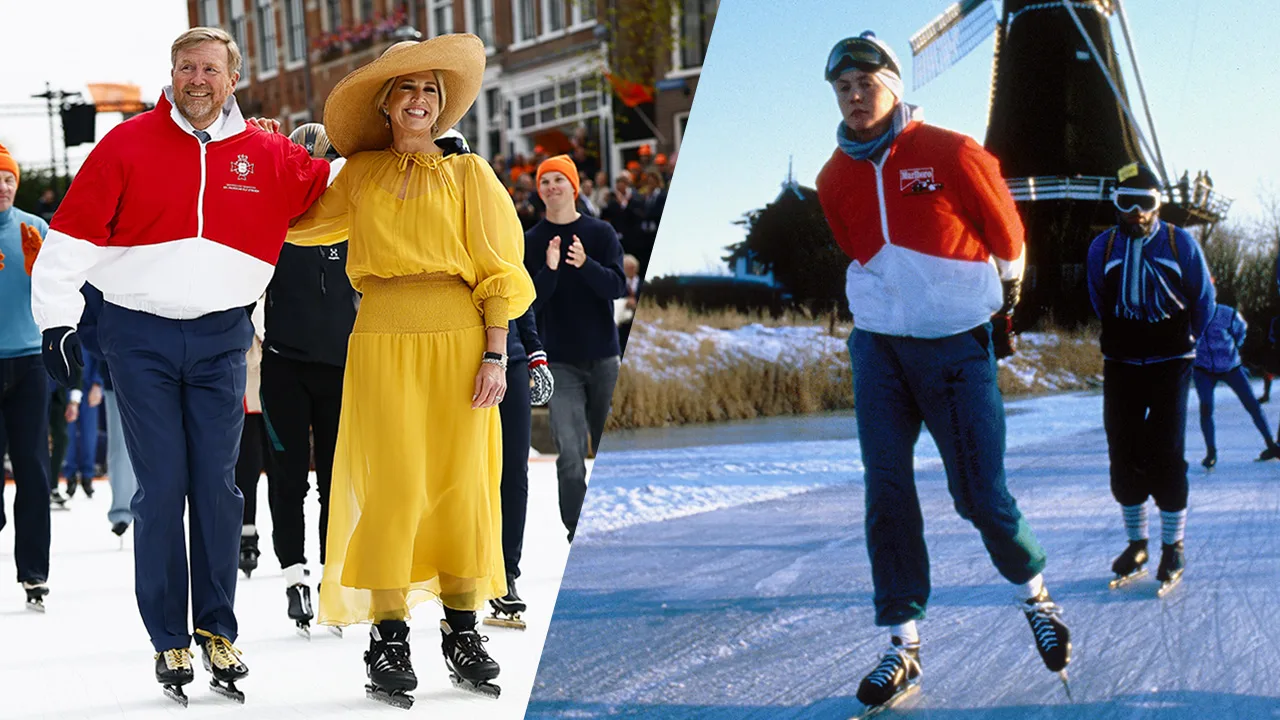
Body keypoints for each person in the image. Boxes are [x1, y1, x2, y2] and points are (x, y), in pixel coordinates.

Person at [30, 27, 332, 704]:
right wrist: (56, 320)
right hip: (139, 337)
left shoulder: (266, 153)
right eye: (186, 67)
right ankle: (169, 637)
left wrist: (412, 147)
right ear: (172, 73)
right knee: (163, 487)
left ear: (233, 79)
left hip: (223, 337)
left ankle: (217, 629)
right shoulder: (127, 143)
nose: (197, 79)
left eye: (210, 69)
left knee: (219, 487)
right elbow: (70, 237)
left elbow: (337, 184)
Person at [814, 32, 1070, 710]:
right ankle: (902, 645)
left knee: (979, 494)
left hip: (955, 345)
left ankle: (1036, 598)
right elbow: (855, 246)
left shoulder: (951, 152)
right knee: (886, 490)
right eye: (843, 87)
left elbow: (1007, 233)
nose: (855, 96)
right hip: (879, 348)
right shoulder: (832, 178)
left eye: (867, 83)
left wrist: (1002, 299)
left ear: (894, 87)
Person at [284, 35, 535, 708]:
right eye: (407, 89)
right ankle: (388, 635)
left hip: (461, 338)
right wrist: (274, 158)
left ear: (441, 104)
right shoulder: (359, 174)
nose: (420, 99)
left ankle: (462, 629)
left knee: (459, 484)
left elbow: (501, 268)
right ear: (386, 103)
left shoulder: (470, 174)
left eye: (430, 89)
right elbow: (296, 225)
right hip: (382, 337)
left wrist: (496, 353)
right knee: (392, 486)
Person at [1086, 162, 1214, 597]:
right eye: (1127, 202)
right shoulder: (1102, 248)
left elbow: (1203, 300)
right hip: (1122, 360)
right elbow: (1099, 299)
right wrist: (1125, 334)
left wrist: (1186, 337)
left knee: (1165, 449)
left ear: (1158, 205)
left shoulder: (1180, 244)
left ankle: (1172, 546)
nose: (1136, 212)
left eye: (1145, 202)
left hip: (1170, 359)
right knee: (1122, 448)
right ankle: (1136, 544)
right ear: (1115, 204)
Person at [525, 155, 626, 543]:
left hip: (604, 358)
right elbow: (529, 302)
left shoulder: (600, 233)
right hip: (559, 362)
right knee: (569, 455)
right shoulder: (532, 240)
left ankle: (615, 526)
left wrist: (584, 264)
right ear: (539, 191)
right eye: (544, 181)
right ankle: (577, 533)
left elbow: (616, 286)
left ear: (574, 186)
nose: (551, 186)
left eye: (558, 180)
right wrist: (550, 270)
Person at [0, 141, 53, 611]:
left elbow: (59, 290)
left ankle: (34, 572)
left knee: (33, 469)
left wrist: (43, 269)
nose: (3, 187)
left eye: (8, 179)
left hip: (30, 361)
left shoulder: (34, 228)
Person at [485, 306, 553, 629]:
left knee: (514, 471)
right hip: (456, 355)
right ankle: (462, 575)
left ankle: (506, 574)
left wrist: (535, 353)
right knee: (464, 474)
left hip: (510, 360)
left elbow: (520, 292)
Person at [1193, 302, 1280, 468]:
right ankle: (1211, 452)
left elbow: (1241, 330)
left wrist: (1234, 348)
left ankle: (1271, 444)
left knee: (1252, 405)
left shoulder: (1228, 313)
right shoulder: (1192, 314)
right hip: (1203, 370)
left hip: (1231, 367)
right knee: (1206, 407)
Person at [234, 298, 272, 580]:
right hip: (247, 376)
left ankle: (290, 548)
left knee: (281, 469)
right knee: (247, 462)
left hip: (280, 369)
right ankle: (247, 533)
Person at [62, 343, 103, 497]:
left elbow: (99, 355)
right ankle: (70, 475)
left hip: (88, 384)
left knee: (89, 434)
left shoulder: (90, 330)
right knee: (68, 433)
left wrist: (98, 383)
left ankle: (87, 476)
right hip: (67, 384)